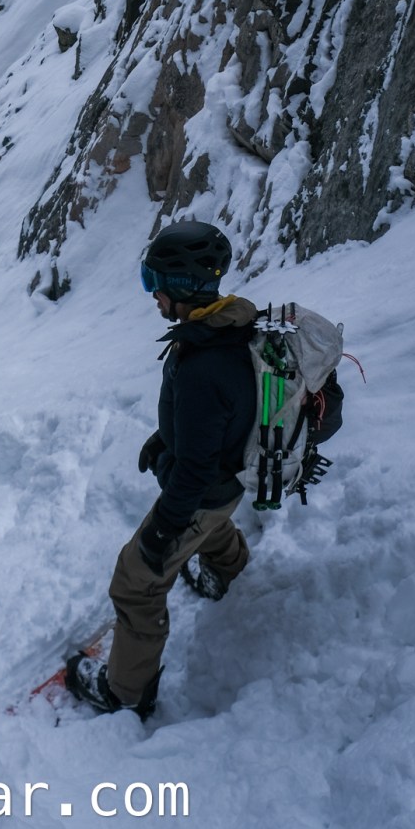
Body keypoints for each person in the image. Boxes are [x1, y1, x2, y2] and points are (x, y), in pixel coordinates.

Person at [65, 219, 258, 720]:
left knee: (135, 581)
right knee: (212, 523)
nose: (151, 296)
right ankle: (229, 572)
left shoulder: (202, 365)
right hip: (228, 483)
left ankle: (126, 691)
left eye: (155, 284)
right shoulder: (230, 329)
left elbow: (192, 476)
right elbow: (219, 418)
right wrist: (168, 437)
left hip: (203, 490)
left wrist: (162, 532)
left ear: (183, 286)